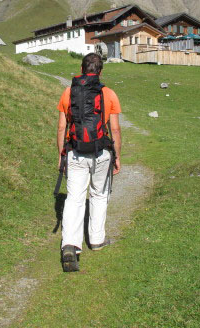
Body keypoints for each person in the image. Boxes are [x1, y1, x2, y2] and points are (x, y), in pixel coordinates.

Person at [56, 53, 122, 272]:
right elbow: (114, 129)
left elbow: (61, 128)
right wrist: (118, 156)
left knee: (74, 198)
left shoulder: (68, 92)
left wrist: (61, 154)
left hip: (75, 152)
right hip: (101, 152)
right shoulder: (109, 93)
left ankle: (70, 245)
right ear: (100, 71)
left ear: (82, 69)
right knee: (99, 194)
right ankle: (96, 239)